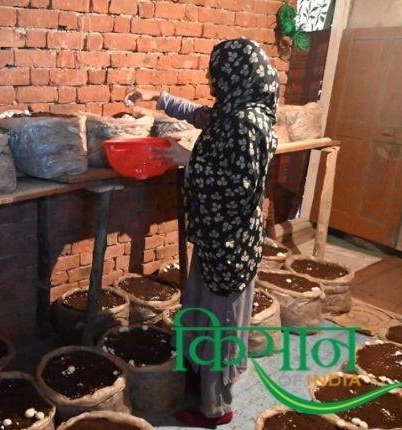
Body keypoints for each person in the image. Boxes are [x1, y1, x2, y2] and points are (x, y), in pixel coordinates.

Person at [125, 38, 280, 427]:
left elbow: (239, 186)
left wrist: (188, 159)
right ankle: (207, 380)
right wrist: (159, 97)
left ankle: (216, 408)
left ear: (235, 75)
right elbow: (200, 115)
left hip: (229, 243)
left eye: (217, 74)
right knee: (207, 309)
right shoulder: (238, 111)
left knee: (221, 321)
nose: (212, 81)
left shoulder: (246, 123)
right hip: (219, 238)